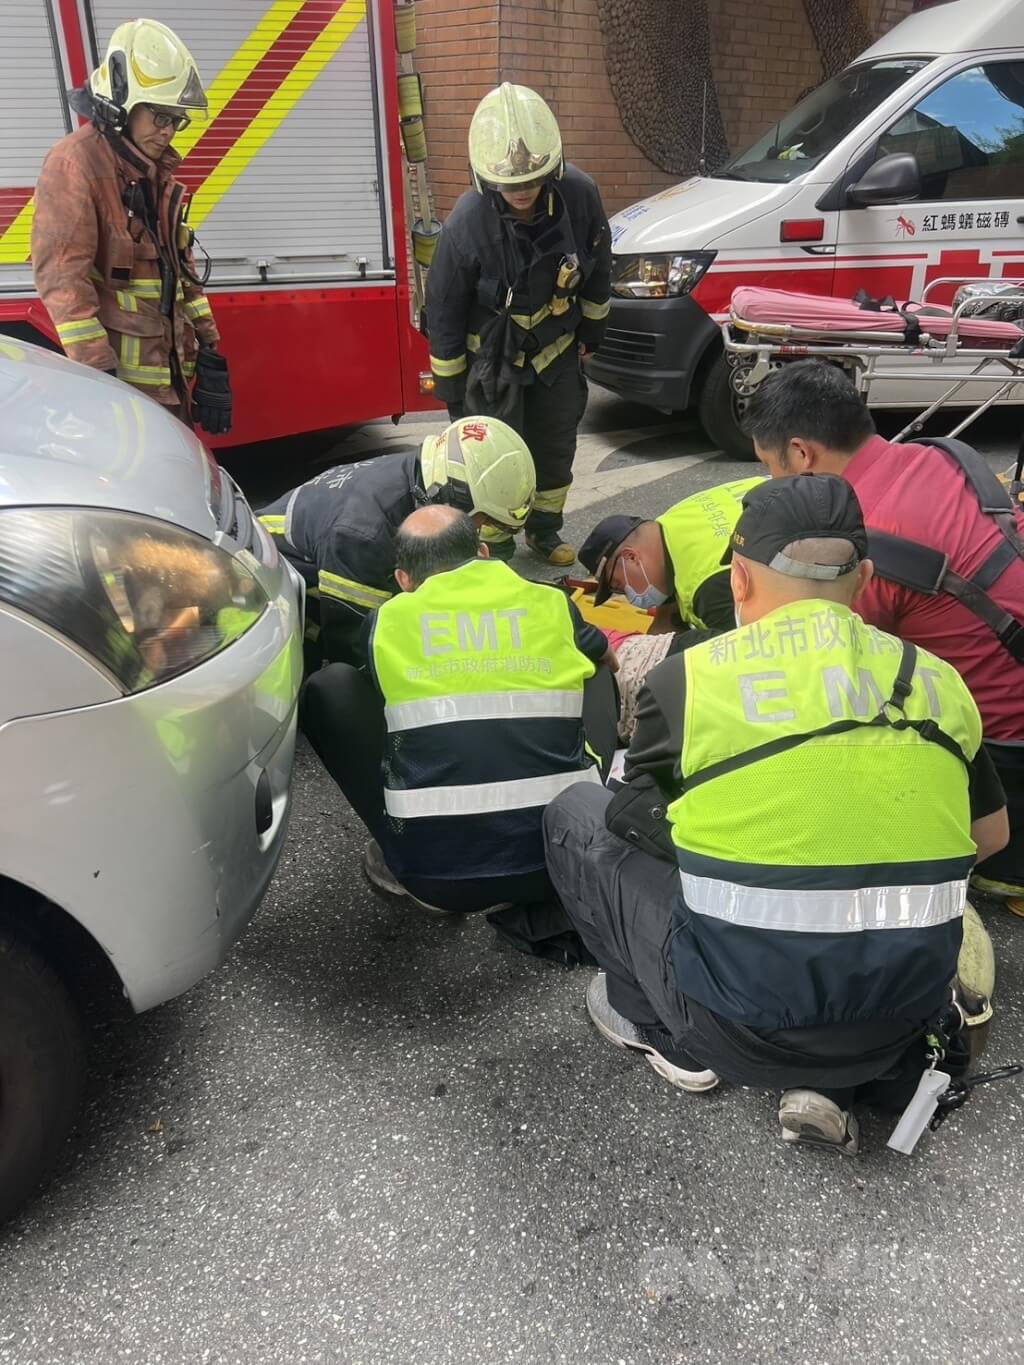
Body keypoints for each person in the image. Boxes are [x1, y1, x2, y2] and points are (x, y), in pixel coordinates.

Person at [544, 476, 1008, 1155]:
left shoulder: (689, 679)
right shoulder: (938, 679)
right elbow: (988, 836)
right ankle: (831, 1078)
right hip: (900, 1024)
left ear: (737, 579)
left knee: (576, 813)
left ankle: (662, 1030)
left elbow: (638, 817)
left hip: (733, 1026)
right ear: (866, 577)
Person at [743, 359, 1024, 911]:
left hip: (1001, 753)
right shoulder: (941, 456)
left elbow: (820, 658)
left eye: (768, 467)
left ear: (800, 454)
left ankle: (993, 870)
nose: (770, 482)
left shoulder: (863, 541)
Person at [301, 505, 618, 929]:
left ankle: (402, 852)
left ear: (403, 581)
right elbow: (610, 661)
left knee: (332, 688)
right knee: (593, 664)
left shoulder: (387, 621)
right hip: (563, 858)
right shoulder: (549, 601)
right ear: (483, 552)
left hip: (439, 879)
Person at [425, 83, 612, 568]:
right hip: (493, 366)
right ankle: (498, 543)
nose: (522, 190)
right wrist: (452, 388)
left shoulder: (580, 198)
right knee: (495, 462)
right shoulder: (467, 223)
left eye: (532, 179)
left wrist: (592, 334)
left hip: (557, 354)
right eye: (509, 184)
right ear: (485, 178)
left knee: (554, 449)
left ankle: (545, 531)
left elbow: (598, 267)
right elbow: (443, 306)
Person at [31, 19, 230, 434]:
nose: (169, 130)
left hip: (169, 382)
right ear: (121, 104)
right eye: (159, 116)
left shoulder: (153, 175)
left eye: (176, 120)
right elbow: (63, 282)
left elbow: (181, 272)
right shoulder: (76, 164)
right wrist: (100, 382)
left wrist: (210, 348)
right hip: (124, 392)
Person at [257, 416, 536, 670]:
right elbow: (355, 643)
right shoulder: (364, 536)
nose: (481, 531)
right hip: (266, 586)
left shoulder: (418, 475)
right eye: (483, 520)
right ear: (453, 496)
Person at [579, 477, 765, 633]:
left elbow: (746, 657)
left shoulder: (708, 588)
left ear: (631, 557)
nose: (630, 597)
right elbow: (665, 622)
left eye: (619, 586)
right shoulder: (675, 519)